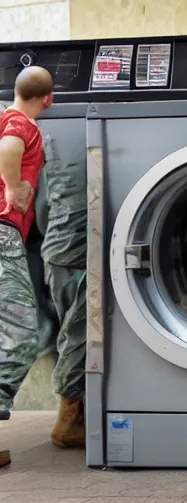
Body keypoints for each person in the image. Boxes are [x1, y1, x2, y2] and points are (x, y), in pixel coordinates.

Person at [0, 66, 53, 468]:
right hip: (3, 236)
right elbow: (10, 146)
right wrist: (14, 186)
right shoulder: (23, 124)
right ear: (48, 99)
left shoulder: (3, 114)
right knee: (20, 338)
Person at [33, 134, 87, 450]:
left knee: (74, 331)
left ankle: (78, 416)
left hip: (57, 253)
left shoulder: (51, 142)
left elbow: (41, 209)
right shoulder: (87, 140)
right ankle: (66, 424)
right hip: (73, 255)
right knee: (77, 333)